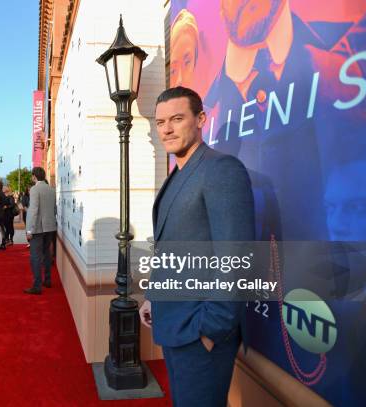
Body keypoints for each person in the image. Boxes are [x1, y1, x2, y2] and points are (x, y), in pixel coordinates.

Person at [139, 87, 255, 407]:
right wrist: (154, 298)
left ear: (200, 119)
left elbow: (236, 259)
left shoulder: (221, 169)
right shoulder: (178, 173)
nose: (167, 129)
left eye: (177, 119)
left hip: (200, 333)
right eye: (160, 121)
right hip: (175, 322)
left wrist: (209, 331)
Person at [24, 167, 56, 295]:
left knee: (35, 257)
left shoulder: (34, 189)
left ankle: (37, 286)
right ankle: (47, 280)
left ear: (34, 176)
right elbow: (54, 208)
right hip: (50, 227)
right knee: (46, 254)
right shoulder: (51, 190)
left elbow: (33, 210)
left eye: (32, 176)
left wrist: (29, 230)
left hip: (37, 228)